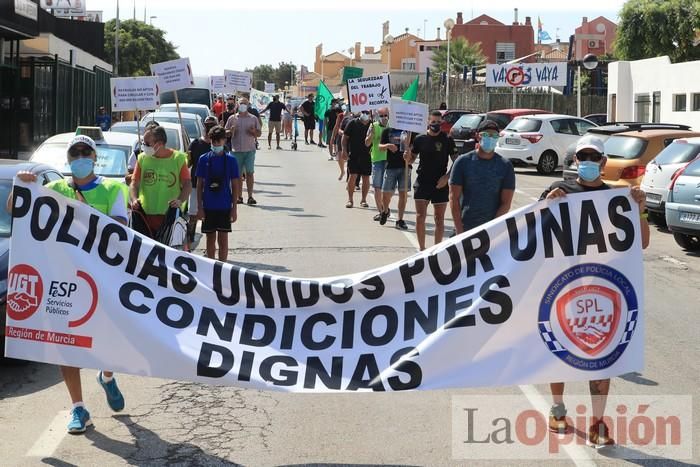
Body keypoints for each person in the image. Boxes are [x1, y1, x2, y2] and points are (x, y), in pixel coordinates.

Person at [9, 135, 129, 434]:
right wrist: (21, 184)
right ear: (68, 159)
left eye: (84, 152)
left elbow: (121, 230)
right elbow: (16, 209)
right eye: (74, 154)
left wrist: (83, 214)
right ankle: (78, 408)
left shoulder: (114, 188)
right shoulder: (54, 188)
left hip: (102, 278)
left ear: (94, 156)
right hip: (62, 279)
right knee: (65, 346)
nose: (79, 158)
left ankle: (108, 376)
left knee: (111, 341)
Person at [541, 135, 650, 448]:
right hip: (562, 286)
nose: (588, 162)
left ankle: (598, 423)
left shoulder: (617, 197)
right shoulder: (559, 191)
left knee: (603, 357)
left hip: (602, 289)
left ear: (603, 162)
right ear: (576, 161)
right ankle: (558, 409)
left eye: (594, 157)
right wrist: (548, 206)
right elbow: (533, 236)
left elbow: (641, 242)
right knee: (559, 352)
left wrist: (640, 209)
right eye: (582, 157)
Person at [449, 120, 516, 234]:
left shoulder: (505, 166)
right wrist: (459, 230)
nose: (490, 138)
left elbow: (506, 203)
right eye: (486, 135)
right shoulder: (462, 162)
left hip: (492, 232)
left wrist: (491, 231)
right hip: (465, 229)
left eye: (494, 135)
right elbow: (453, 198)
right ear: (477, 136)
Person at [405, 110, 455, 250]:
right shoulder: (420, 139)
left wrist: (447, 177)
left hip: (440, 184)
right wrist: (407, 156)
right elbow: (412, 159)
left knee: (439, 219)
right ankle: (422, 249)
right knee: (420, 216)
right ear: (428, 122)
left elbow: (457, 161)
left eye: (439, 122)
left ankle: (436, 250)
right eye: (433, 122)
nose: (436, 125)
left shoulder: (447, 139)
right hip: (422, 182)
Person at [129, 125, 192, 237]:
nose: (143, 146)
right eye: (143, 142)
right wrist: (134, 199)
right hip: (145, 216)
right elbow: (134, 183)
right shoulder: (142, 158)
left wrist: (180, 201)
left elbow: (187, 184)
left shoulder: (178, 158)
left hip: (170, 216)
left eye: (147, 143)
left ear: (159, 144)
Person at [196, 126, 241, 261]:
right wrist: (200, 207)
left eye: (219, 141)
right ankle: (211, 266)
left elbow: (235, 184)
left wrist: (234, 209)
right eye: (213, 142)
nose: (216, 144)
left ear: (224, 141)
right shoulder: (203, 159)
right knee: (210, 238)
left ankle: (223, 267)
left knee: (223, 239)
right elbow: (199, 185)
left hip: (224, 205)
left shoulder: (231, 160)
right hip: (208, 205)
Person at [187, 116, 218, 242]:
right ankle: (189, 240)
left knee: (210, 216)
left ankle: (209, 246)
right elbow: (188, 163)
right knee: (193, 215)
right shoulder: (195, 144)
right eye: (207, 125)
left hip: (213, 187)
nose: (209, 127)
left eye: (212, 125)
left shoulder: (219, 146)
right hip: (195, 185)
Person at [225, 97, 261, 205]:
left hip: (250, 150)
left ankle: (250, 196)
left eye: (245, 103)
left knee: (249, 173)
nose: (243, 105)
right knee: (238, 175)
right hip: (236, 151)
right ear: (237, 104)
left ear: (248, 105)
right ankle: (239, 197)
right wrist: (230, 131)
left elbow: (259, 134)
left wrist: (254, 132)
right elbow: (226, 134)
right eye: (241, 103)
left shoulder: (253, 118)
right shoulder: (232, 118)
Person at [380, 123, 411, 230]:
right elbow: (380, 146)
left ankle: (400, 220)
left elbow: (414, 148)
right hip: (391, 166)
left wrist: (409, 150)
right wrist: (388, 145)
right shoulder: (387, 131)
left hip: (405, 166)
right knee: (385, 193)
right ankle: (385, 211)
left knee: (403, 193)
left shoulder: (409, 131)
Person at [342, 110, 372, 208]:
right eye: (364, 112)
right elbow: (345, 137)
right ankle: (350, 200)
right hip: (354, 154)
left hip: (367, 155)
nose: (365, 114)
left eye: (367, 112)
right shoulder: (352, 123)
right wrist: (344, 150)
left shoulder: (372, 125)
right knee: (353, 176)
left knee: (366, 178)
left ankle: (363, 200)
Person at [365, 107, 389, 222]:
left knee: (388, 189)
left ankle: (385, 208)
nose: (384, 118)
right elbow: (367, 143)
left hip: (390, 161)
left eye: (386, 115)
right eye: (382, 115)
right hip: (378, 160)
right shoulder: (373, 126)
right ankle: (381, 211)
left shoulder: (392, 126)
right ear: (377, 116)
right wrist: (371, 135)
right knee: (377, 187)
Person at [333, 104, 353, 180]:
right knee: (340, 155)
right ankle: (342, 171)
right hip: (341, 137)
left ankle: (350, 175)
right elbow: (337, 126)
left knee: (349, 157)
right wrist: (333, 137)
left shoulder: (355, 116)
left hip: (350, 139)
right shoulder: (341, 116)